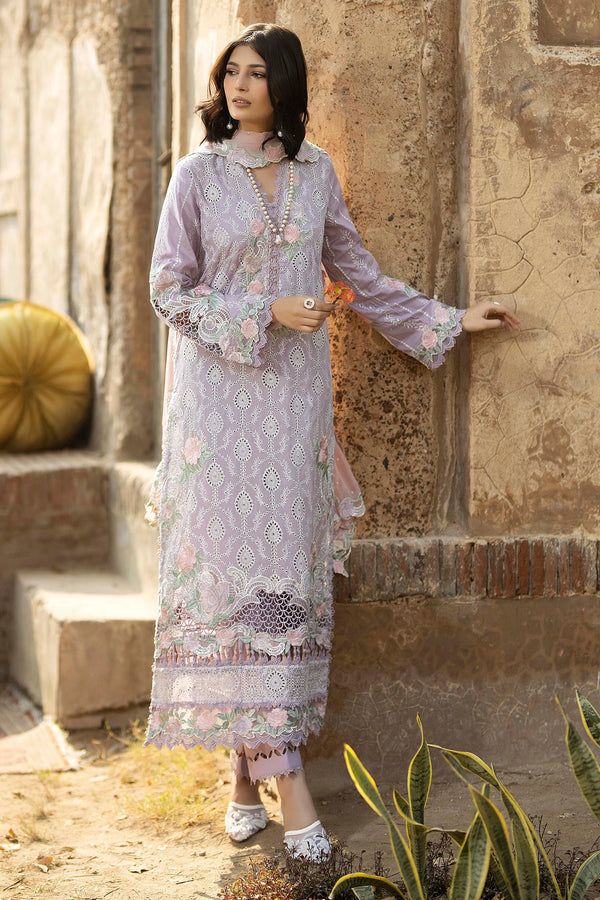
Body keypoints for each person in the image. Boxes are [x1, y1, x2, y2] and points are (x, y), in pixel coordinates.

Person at [144, 22, 519, 861]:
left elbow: (360, 275)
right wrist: (265, 311)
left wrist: (452, 320)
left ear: (284, 83)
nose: (239, 86)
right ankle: (292, 790)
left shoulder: (316, 174)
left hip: (293, 409)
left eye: (256, 73)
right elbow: (168, 290)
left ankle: (244, 779)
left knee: (278, 589)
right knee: (233, 583)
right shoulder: (198, 176)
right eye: (230, 72)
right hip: (216, 411)